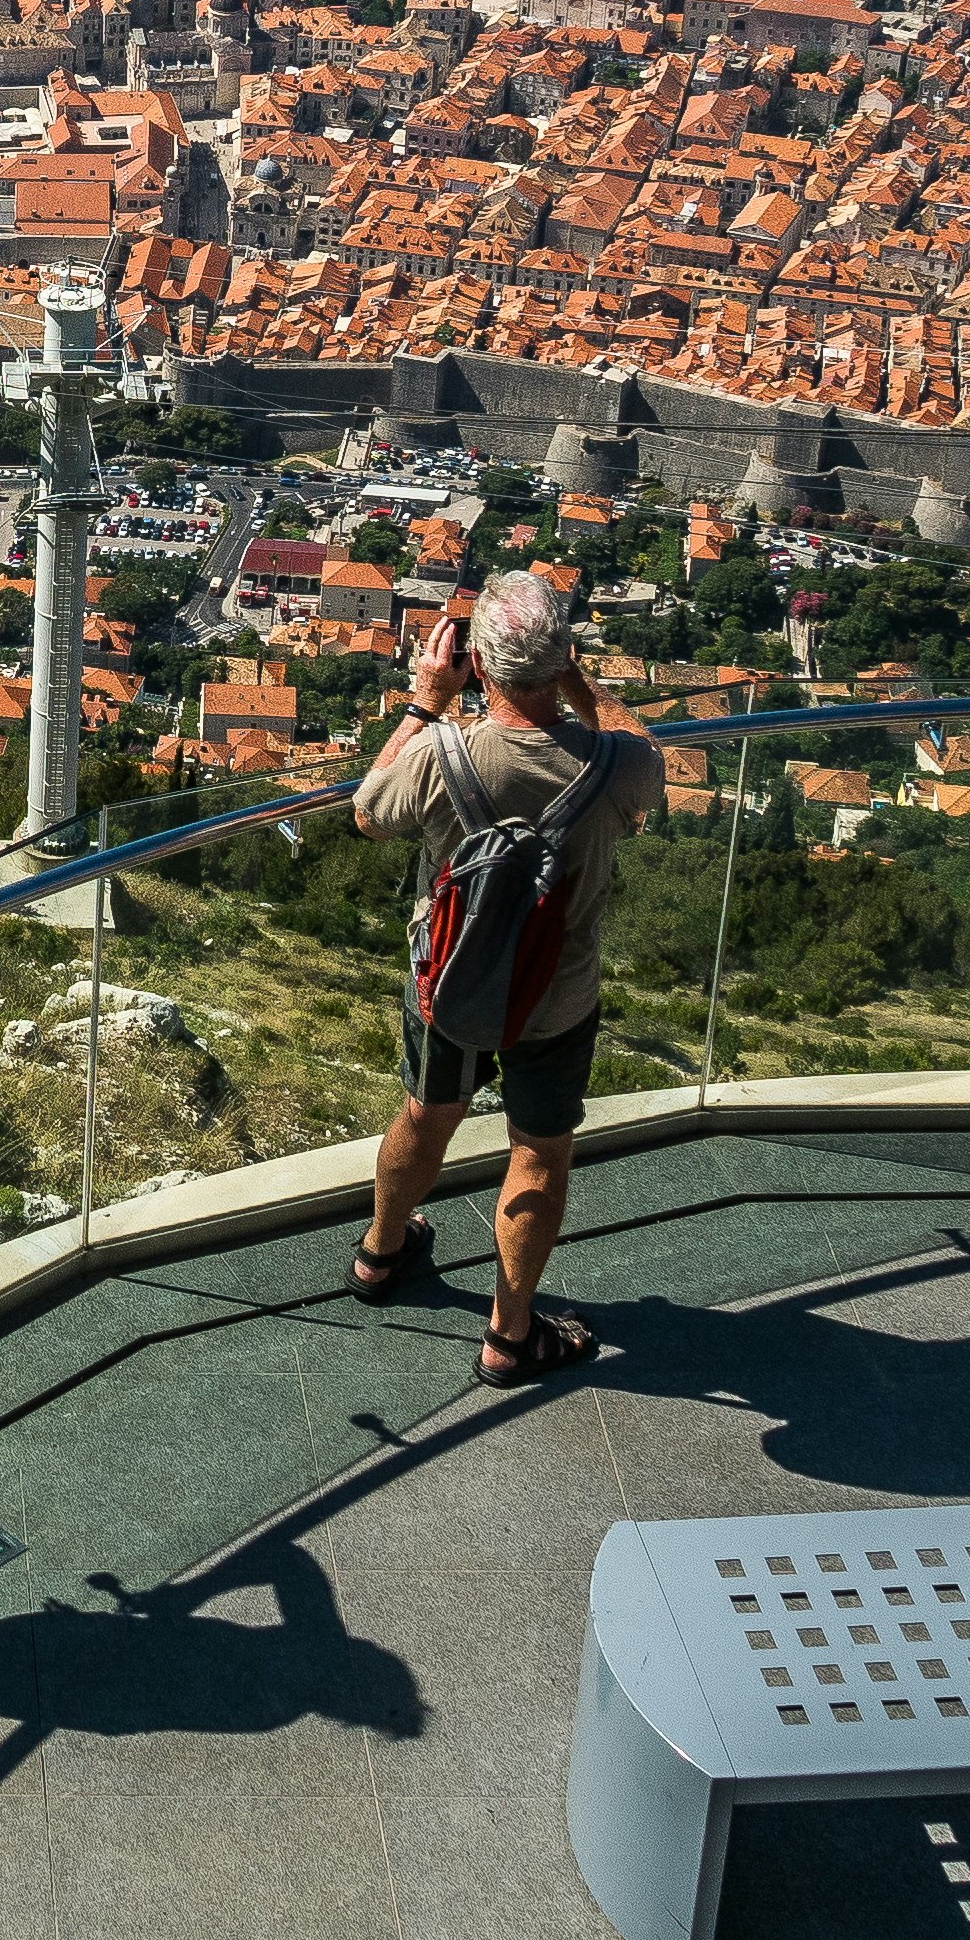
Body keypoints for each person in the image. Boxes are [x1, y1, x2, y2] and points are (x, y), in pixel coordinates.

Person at [347, 568, 653, 1385]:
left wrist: (426, 701)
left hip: (449, 986)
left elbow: (368, 815)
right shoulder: (615, 764)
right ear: (560, 663)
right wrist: (581, 686)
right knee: (539, 1154)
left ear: (477, 664)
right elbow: (655, 760)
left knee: (426, 1112)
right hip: (558, 997)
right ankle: (510, 1333)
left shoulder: (441, 756)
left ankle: (381, 1254)